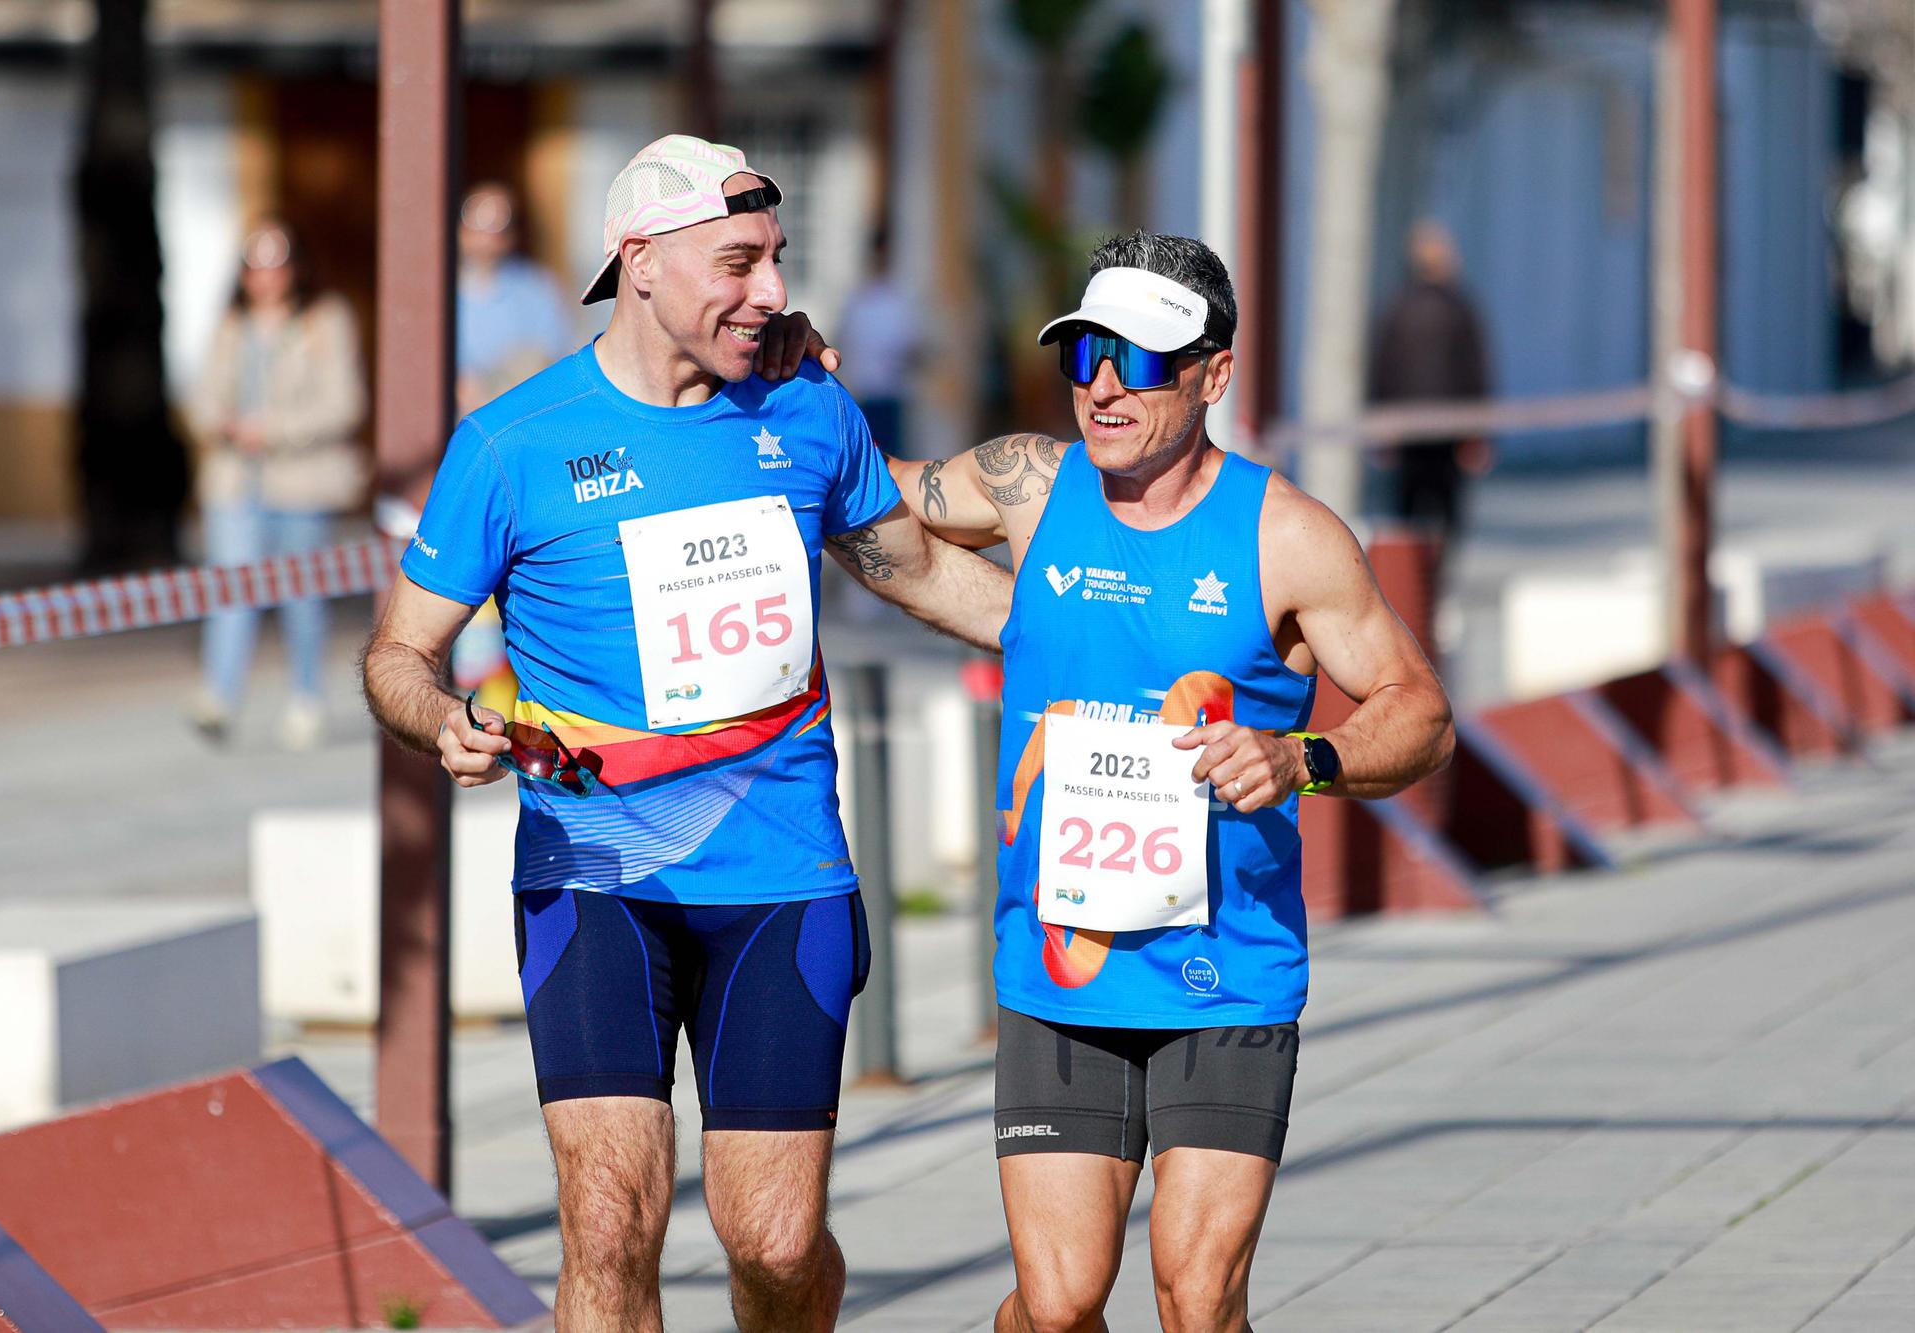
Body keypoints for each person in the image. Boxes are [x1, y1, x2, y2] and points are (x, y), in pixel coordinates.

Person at [361, 134, 1013, 1333]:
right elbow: (397, 650)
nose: (767, 290)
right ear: (640, 261)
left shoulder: (807, 403)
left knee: (771, 1245)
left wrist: (1085, 646)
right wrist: (438, 719)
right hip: (595, 873)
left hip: (780, 873)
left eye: (774, 258)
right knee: (610, 1228)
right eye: (736, 262)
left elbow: (917, 570)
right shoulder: (512, 443)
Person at [885, 231, 1455, 1331]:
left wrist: (1303, 758)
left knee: (1195, 1296)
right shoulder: (1032, 486)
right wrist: (784, 400)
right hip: (1057, 969)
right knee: (1056, 1306)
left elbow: (1418, 711)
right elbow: (877, 504)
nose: (1103, 384)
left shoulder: (1285, 537)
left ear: (1212, 374)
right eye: (1085, 352)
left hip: (1225, 973)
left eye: (1140, 360)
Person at [187, 220, 367, 748]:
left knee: (302, 597)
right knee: (230, 592)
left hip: (301, 484)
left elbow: (344, 402)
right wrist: (221, 421)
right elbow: (201, 397)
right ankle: (219, 695)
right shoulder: (230, 325)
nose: (266, 278)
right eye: (255, 267)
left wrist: (275, 430)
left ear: (296, 267)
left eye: (276, 265)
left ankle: (305, 697)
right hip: (235, 482)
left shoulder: (325, 320)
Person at [1367, 220, 1494, 559]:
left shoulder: (1398, 308)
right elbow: (1476, 373)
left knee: (1407, 515)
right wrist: (1477, 434)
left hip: (1409, 430)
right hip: (1448, 431)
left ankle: (1412, 584)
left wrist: (1381, 427)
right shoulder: (1460, 309)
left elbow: (1381, 369)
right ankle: (1433, 582)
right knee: (1446, 517)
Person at [456, 181, 575, 417]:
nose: (488, 236)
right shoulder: (437, 292)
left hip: (518, 416)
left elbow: (553, 359)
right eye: (478, 223)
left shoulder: (537, 288)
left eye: (501, 225)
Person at [834, 226, 925, 460]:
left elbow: (913, 347)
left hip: (892, 393)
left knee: (895, 459)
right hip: (866, 393)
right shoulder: (858, 300)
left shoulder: (899, 298)